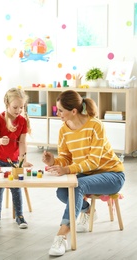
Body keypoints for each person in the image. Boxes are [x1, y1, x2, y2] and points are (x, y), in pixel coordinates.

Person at [43, 90, 125, 256]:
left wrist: (67, 169)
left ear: (73, 111)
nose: (57, 113)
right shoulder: (64, 130)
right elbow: (66, 158)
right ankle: (87, 211)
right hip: (88, 174)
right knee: (61, 191)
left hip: (112, 175)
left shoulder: (95, 126)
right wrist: (53, 162)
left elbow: (94, 162)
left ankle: (62, 237)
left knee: (78, 185)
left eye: (60, 110)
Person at [0, 87, 33, 229]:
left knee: (16, 186)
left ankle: (19, 215)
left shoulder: (22, 121)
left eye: (21, 107)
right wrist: (0, 141)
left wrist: (23, 161)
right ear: (7, 104)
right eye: (15, 107)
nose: (18, 110)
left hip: (14, 161)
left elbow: (22, 143)